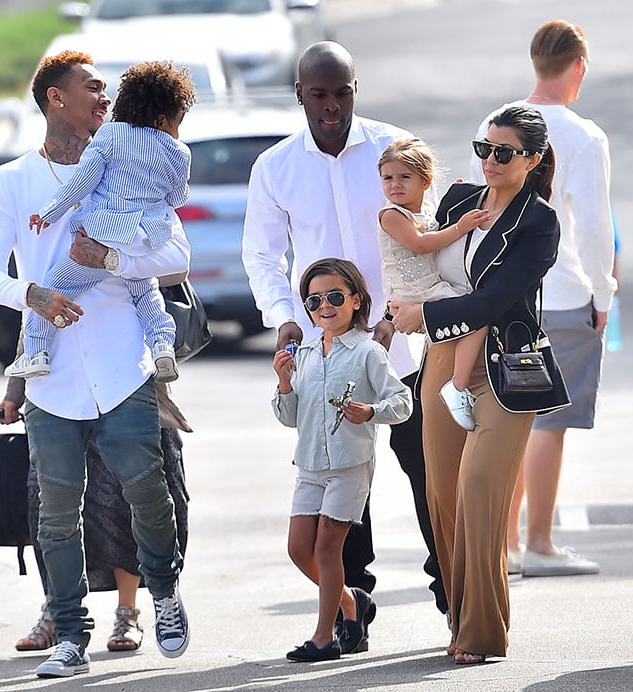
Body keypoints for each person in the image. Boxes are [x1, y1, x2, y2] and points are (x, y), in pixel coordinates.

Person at [0, 50, 191, 678]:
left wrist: (111, 260)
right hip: (51, 375)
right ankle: (71, 635)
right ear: (54, 100)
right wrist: (31, 293)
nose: (105, 98)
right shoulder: (12, 180)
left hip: (125, 362)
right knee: (57, 513)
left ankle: (164, 592)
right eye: (92, 89)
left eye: (108, 90)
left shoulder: (133, 158)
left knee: (148, 493)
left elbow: (174, 253)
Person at [242, 40, 449, 644]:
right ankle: (352, 609)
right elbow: (262, 255)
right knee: (339, 484)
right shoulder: (275, 167)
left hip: (404, 347)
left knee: (429, 475)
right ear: (300, 94)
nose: (332, 106)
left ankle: (454, 599)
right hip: (325, 355)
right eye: (319, 94)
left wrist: (401, 314)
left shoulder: (393, 149)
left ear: (355, 91)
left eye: (342, 93)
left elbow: (428, 235)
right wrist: (284, 315)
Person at [391, 105, 571, 663]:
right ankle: (459, 615)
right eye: (484, 148)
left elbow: (496, 300)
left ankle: (482, 633)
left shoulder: (538, 222)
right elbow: (416, 250)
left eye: (504, 152)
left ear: (532, 159)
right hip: (443, 362)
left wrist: (426, 317)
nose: (490, 160)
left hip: (506, 367)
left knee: (478, 492)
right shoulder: (458, 202)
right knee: (442, 496)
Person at [469, 20, 617, 577]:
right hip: (561, 292)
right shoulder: (584, 136)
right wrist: (604, 292)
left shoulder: (495, 123)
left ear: (536, 61)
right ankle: (538, 544)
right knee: (546, 421)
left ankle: (504, 545)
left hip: (501, 292)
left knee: (508, 413)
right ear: (579, 65)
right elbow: (595, 229)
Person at [5, 60, 197, 384]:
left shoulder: (111, 134)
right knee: (146, 293)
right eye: (179, 122)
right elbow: (178, 198)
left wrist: (50, 212)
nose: (178, 130)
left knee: (51, 286)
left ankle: (36, 352)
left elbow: (82, 181)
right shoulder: (180, 151)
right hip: (145, 237)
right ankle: (163, 345)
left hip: (103, 232)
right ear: (163, 119)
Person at [272, 258, 412, 662]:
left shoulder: (369, 351)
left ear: (356, 300)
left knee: (327, 549)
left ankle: (323, 637)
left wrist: (371, 411)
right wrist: (284, 381)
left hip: (350, 466)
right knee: (300, 548)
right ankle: (352, 603)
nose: (324, 307)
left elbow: (402, 401)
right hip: (310, 466)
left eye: (335, 296)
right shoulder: (307, 352)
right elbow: (288, 417)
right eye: (314, 301)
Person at [0, 372, 190, 654]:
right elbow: (30, 331)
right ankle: (58, 614)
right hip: (57, 396)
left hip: (123, 387)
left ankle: (128, 613)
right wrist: (15, 392)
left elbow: (160, 328)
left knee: (122, 507)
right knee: (50, 511)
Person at [377, 138, 489, 430]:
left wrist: (458, 198)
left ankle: (456, 380)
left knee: (476, 310)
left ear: (425, 181)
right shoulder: (391, 215)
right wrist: (460, 226)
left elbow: (436, 226)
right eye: (387, 178)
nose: (394, 185)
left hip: (429, 285)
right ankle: (458, 386)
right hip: (414, 291)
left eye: (404, 177)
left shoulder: (424, 211)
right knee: (478, 317)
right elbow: (422, 244)